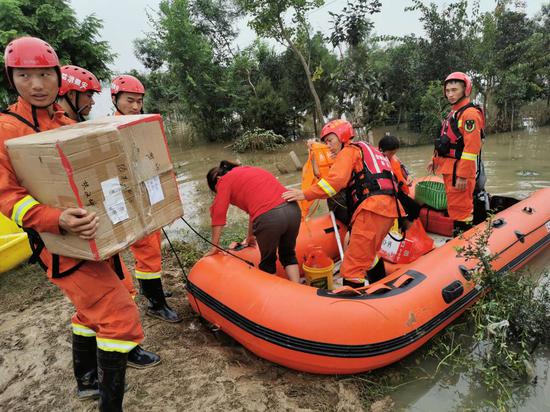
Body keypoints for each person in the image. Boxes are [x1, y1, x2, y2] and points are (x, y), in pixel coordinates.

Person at [0, 36, 139, 411]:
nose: (38, 84)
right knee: (120, 320)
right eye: (25, 75)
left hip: (94, 234)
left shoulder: (65, 121)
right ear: (11, 77)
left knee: (99, 305)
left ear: (57, 76)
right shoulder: (5, 129)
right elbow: (6, 196)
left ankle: (86, 379)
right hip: (56, 243)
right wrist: (55, 218)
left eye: (45, 74)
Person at [59, 65, 161, 370]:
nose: (91, 102)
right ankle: (117, 356)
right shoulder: (89, 128)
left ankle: (88, 374)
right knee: (112, 295)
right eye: (88, 96)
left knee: (105, 296)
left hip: (98, 218)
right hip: (82, 225)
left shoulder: (73, 123)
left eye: (139, 100)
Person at [282, 119, 403, 287]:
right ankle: (382, 288)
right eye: (325, 142)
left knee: (351, 269)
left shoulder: (348, 152)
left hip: (372, 210)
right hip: (390, 210)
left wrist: (304, 194)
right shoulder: (367, 149)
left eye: (330, 141)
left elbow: (333, 184)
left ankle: (356, 307)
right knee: (370, 256)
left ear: (342, 137)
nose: (328, 146)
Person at [111, 74, 182, 323]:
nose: (135, 106)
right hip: (133, 201)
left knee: (152, 247)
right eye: (129, 100)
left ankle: (151, 290)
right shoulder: (113, 130)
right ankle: (155, 303)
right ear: (115, 99)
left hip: (148, 196)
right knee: (147, 251)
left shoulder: (139, 124)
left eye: (139, 101)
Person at [206, 161, 301, 283]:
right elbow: (254, 209)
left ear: (218, 179)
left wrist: (214, 246)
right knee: (288, 254)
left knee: (268, 262)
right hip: (293, 209)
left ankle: (275, 298)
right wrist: (250, 236)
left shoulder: (223, 180)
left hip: (270, 218)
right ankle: (296, 286)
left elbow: (218, 213)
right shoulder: (246, 170)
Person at [428, 71, 485, 235]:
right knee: (454, 206)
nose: (450, 94)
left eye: (454, 90)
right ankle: (459, 238)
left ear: (465, 90)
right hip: (449, 169)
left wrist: (463, 175)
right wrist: (435, 160)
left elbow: (471, 148)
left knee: (462, 210)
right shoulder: (454, 113)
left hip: (458, 172)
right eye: (448, 91)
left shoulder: (469, 115)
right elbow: (447, 141)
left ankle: (464, 241)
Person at [379, 134, 420, 223]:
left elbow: (402, 167)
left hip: (398, 191)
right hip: (387, 195)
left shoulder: (394, 158)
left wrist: (408, 176)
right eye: (391, 153)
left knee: (415, 208)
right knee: (400, 212)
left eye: (394, 153)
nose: (393, 155)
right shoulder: (377, 162)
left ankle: (405, 229)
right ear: (381, 150)